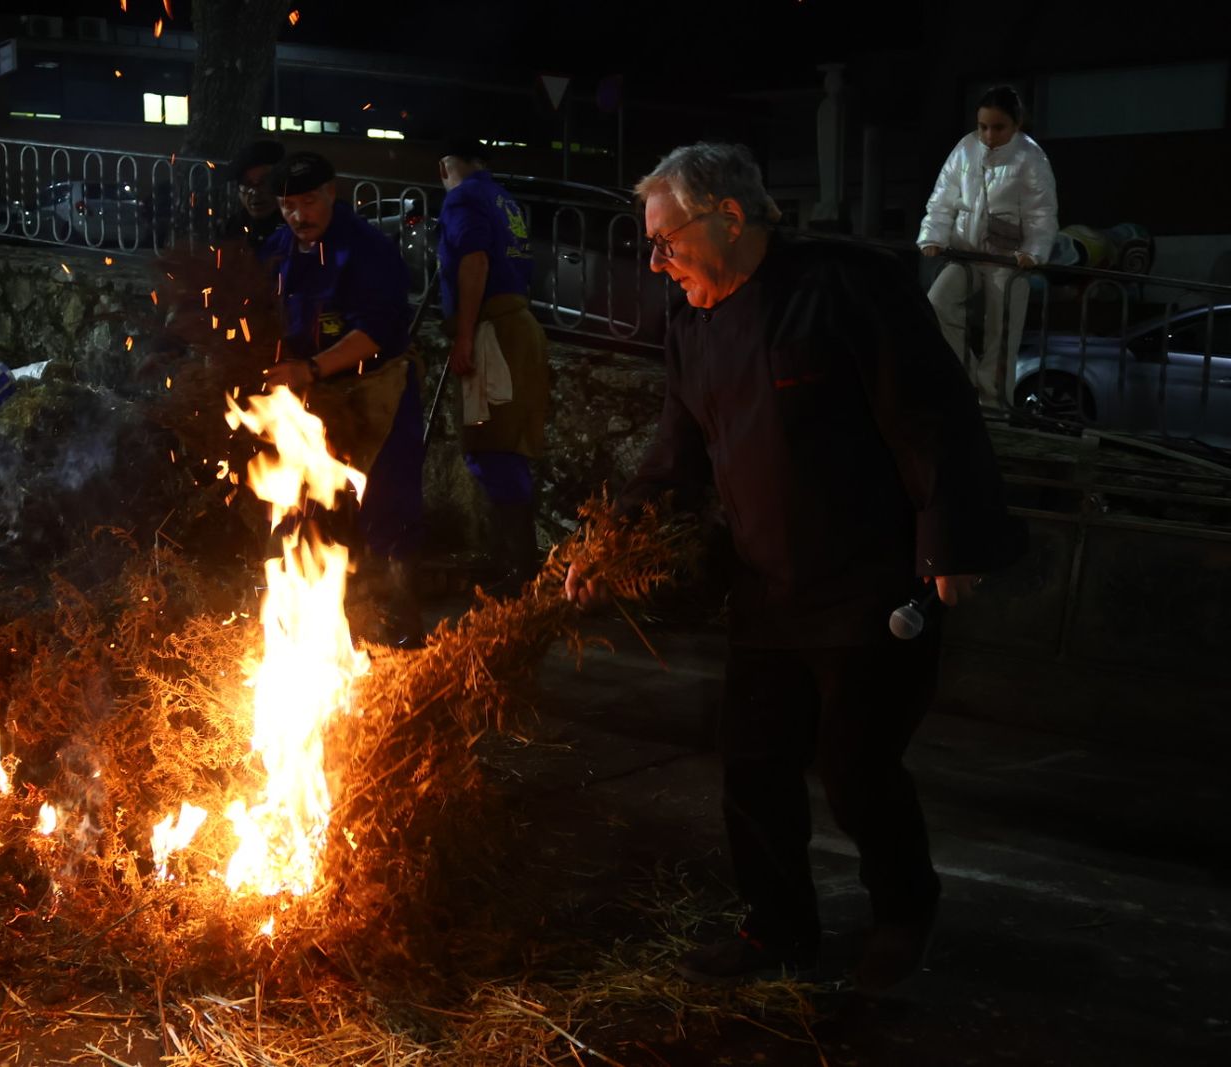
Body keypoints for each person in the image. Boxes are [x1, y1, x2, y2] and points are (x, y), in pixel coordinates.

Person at [564, 143, 1024, 993]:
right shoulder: (694, 324)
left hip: (871, 582)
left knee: (855, 769)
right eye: (651, 246)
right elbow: (676, 455)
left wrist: (949, 543)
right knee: (753, 763)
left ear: (729, 218)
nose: (658, 263)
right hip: (768, 585)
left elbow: (931, 412)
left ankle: (902, 913)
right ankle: (778, 928)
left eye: (667, 241)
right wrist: (614, 544)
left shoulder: (847, 284)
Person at [261, 151, 425, 646]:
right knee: (300, 510)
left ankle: (399, 630)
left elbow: (375, 331)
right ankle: (314, 628)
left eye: (307, 201)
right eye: (287, 205)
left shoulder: (370, 250)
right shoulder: (276, 250)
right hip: (307, 400)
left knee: (386, 510)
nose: (297, 215)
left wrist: (311, 368)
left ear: (333, 192)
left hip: (377, 390)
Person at [435, 138, 549, 592]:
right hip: (518, 325)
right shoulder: (506, 200)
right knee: (508, 444)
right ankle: (518, 568)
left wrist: (464, 335)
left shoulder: (463, 197)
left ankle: (517, 574)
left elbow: (475, 260)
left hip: (492, 331)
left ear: (449, 163)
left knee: (490, 446)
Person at [918, 85, 1058, 407]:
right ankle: (968, 384)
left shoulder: (1031, 157)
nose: (989, 135)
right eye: (983, 127)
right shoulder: (965, 149)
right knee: (937, 305)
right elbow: (943, 198)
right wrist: (933, 236)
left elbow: (1042, 213)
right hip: (965, 251)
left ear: (1017, 123)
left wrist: (1033, 252)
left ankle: (994, 405)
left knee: (1003, 333)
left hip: (1009, 259)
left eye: (998, 127)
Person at [223, 139, 285, 250]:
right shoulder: (233, 227)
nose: (255, 191)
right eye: (247, 184)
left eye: (265, 181)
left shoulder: (296, 227)